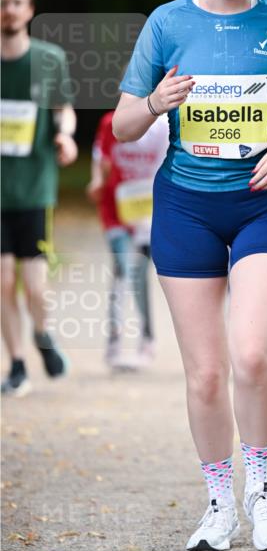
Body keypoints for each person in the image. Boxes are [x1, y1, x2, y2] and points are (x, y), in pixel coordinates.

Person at [112, 0, 267, 551]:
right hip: (187, 206)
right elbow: (123, 124)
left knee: (252, 354)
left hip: (262, 202)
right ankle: (218, 500)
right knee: (204, 373)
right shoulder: (166, 23)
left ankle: (261, 492)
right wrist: (155, 100)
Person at [1, 0, 77, 397]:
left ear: (29, 10)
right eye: (2, 3)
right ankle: (15, 365)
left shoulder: (48, 59)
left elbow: (64, 109)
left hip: (32, 188)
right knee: (1, 280)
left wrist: (64, 134)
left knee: (33, 285)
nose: (7, 10)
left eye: (15, 2)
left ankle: (43, 334)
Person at [87, 110, 169, 369]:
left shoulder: (166, 127)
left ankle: (147, 340)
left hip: (148, 209)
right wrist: (97, 180)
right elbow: (100, 158)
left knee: (139, 273)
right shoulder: (112, 122)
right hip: (116, 209)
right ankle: (114, 341)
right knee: (124, 267)